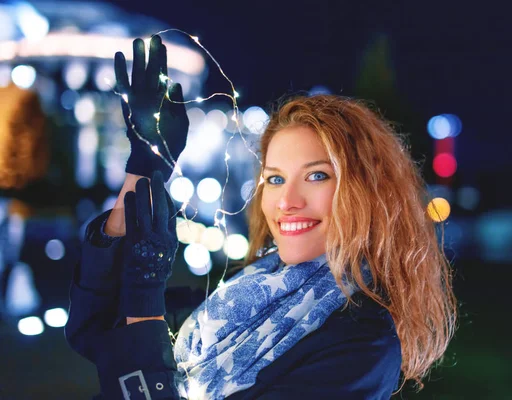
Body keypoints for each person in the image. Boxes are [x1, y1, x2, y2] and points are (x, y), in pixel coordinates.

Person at [66, 35, 457, 399]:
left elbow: (137, 333)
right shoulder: (246, 292)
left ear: (367, 191)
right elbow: (95, 328)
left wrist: (145, 292)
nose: (286, 201)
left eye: (317, 176)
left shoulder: (364, 345)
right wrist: (146, 164)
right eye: (275, 178)